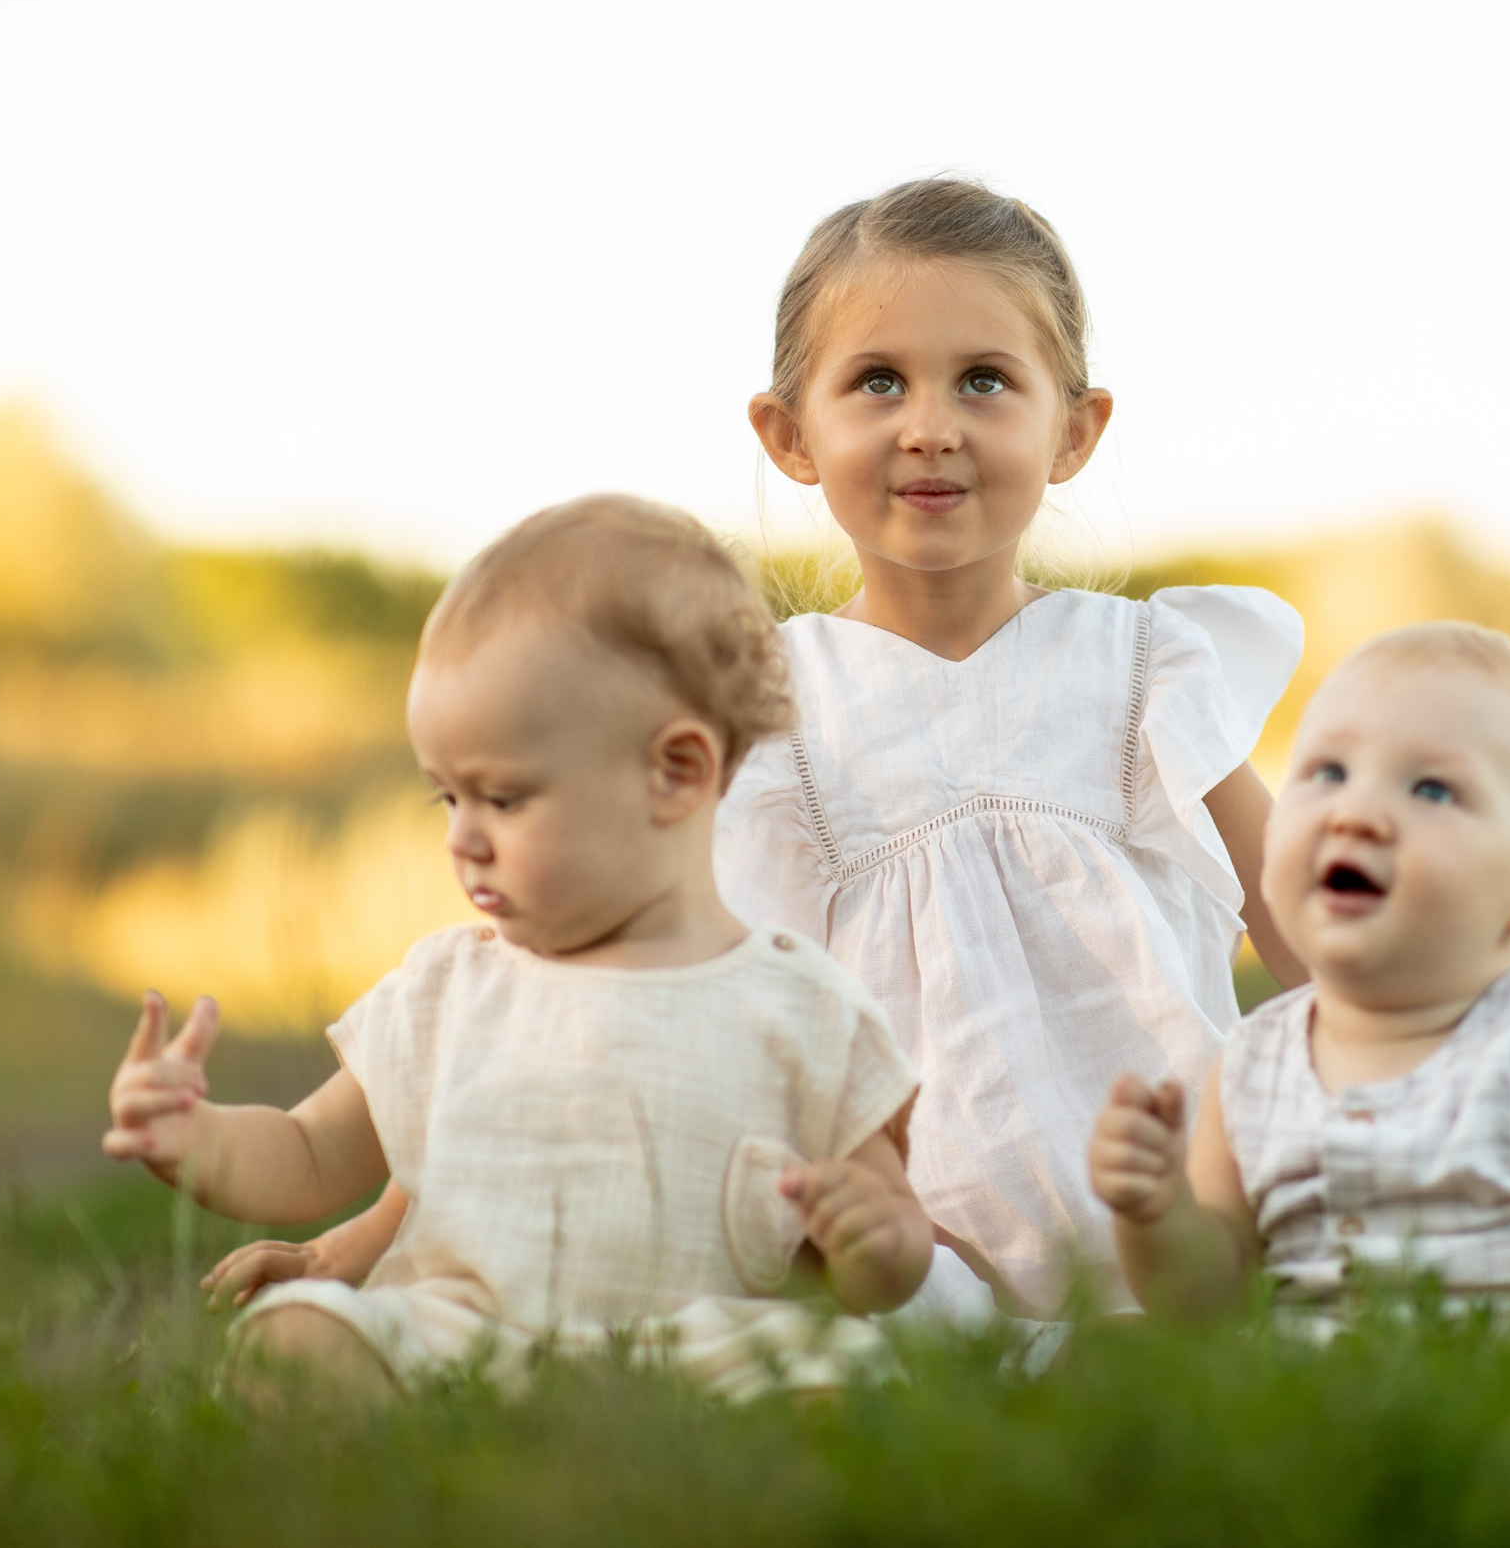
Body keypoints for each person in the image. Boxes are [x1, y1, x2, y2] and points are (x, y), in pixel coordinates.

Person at [208, 177, 1308, 1322]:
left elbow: (1305, 918)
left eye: (984, 380)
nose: (929, 424)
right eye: (877, 382)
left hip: (1165, 1196)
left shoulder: (1141, 664)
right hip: (905, 1233)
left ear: (1073, 430)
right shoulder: (770, 710)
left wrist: (1427, 1066)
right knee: (845, 1296)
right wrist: (373, 1231)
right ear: (791, 435)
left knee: (1269, 1285)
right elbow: (600, 984)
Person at [109, 496, 934, 1401]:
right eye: (446, 798)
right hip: (463, 1340)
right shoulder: (449, 989)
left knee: (851, 1368)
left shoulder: (804, 1007)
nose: (462, 835)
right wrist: (194, 1137)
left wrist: (879, 1246)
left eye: (501, 798)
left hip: (697, 1360)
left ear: (677, 772)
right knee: (300, 1336)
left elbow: (891, 1227)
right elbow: (308, 1153)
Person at [1087, 623, 1510, 1329]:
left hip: (1501, 1398)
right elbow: (1206, 1300)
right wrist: (1155, 1212)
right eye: (1329, 773)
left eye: (1430, 789)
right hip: (1307, 1408)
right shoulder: (1252, 1060)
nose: (1356, 813)